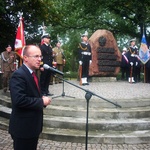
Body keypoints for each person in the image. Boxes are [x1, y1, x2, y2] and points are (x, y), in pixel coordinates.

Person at [9, 45, 51, 150]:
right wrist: (41, 101)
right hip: (23, 128)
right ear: (26, 58)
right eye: (36, 56)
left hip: (32, 127)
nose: (40, 59)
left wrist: (40, 97)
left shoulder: (33, 74)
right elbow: (19, 100)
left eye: (40, 56)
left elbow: (31, 94)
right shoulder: (18, 75)